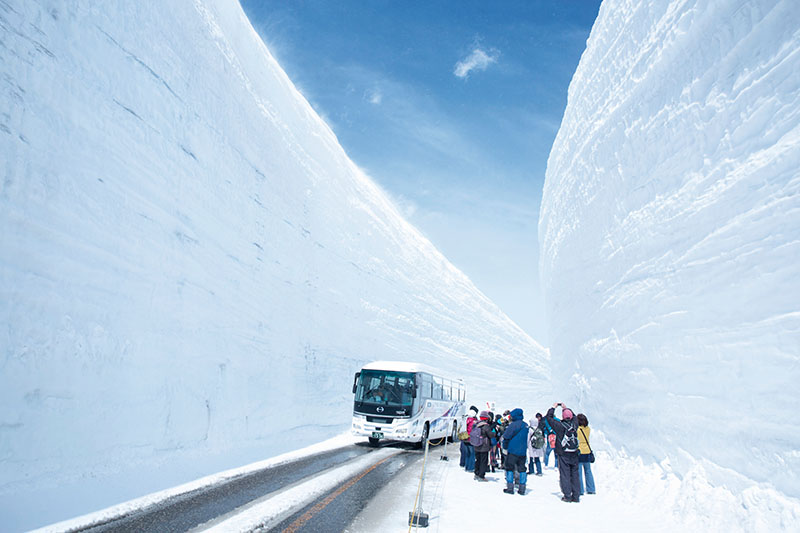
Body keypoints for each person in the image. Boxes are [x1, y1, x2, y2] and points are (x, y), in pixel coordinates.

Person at [546, 402, 581, 502]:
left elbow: (549, 418)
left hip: (563, 453)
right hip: (574, 452)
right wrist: (566, 408)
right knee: (575, 474)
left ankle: (567, 495)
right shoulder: (575, 424)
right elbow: (575, 417)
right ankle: (576, 496)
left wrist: (553, 407)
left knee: (565, 474)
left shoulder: (559, 426)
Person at [501, 408, 529, 494]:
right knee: (522, 469)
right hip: (523, 451)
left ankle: (510, 488)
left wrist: (505, 447)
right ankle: (522, 488)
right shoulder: (525, 425)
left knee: (509, 467)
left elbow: (506, 436)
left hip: (513, 450)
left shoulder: (513, 425)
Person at [577, 413, 596, 495]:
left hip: (579, 451)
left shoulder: (577, 430)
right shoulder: (588, 429)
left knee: (579, 472)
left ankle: (580, 490)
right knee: (588, 471)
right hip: (587, 451)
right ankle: (591, 489)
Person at [472, 410, 493, 481]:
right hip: (484, 446)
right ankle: (481, 476)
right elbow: (490, 435)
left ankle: (476, 473)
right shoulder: (485, 426)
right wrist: (494, 433)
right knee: (483, 461)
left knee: (477, 460)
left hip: (476, 445)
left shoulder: (475, 424)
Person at [460, 406, 478, 472]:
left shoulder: (466, 420)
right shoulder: (474, 422)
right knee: (472, 454)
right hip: (471, 439)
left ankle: (466, 466)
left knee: (467, 453)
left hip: (464, 438)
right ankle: (471, 467)